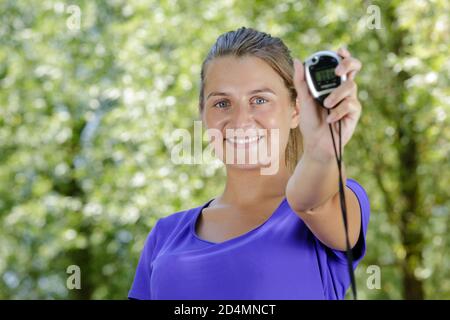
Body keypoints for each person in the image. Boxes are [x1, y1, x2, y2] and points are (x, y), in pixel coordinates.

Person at [128, 27, 370, 300]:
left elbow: (311, 202)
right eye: (222, 103)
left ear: (296, 111)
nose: (241, 120)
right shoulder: (165, 235)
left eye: (259, 100)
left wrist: (322, 149)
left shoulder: (334, 201)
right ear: (202, 114)